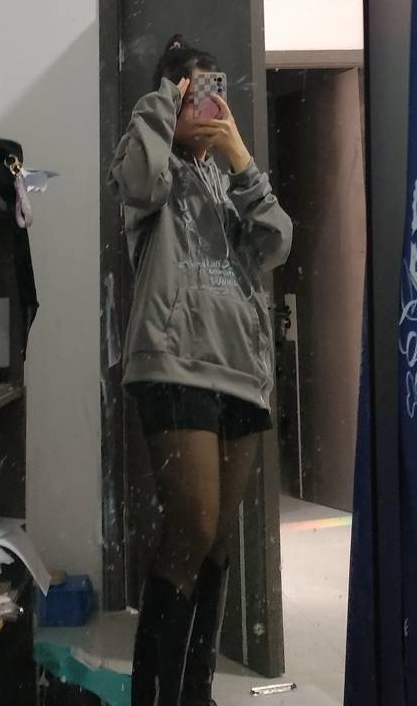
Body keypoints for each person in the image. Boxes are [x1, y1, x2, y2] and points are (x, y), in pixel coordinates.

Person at [109, 35, 293, 706]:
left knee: (215, 544)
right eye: (198, 92)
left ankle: (195, 693)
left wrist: (242, 158)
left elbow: (275, 242)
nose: (212, 104)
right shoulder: (148, 160)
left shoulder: (230, 179)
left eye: (219, 92)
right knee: (191, 529)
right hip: (175, 364)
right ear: (172, 96)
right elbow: (139, 183)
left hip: (240, 371)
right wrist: (163, 101)